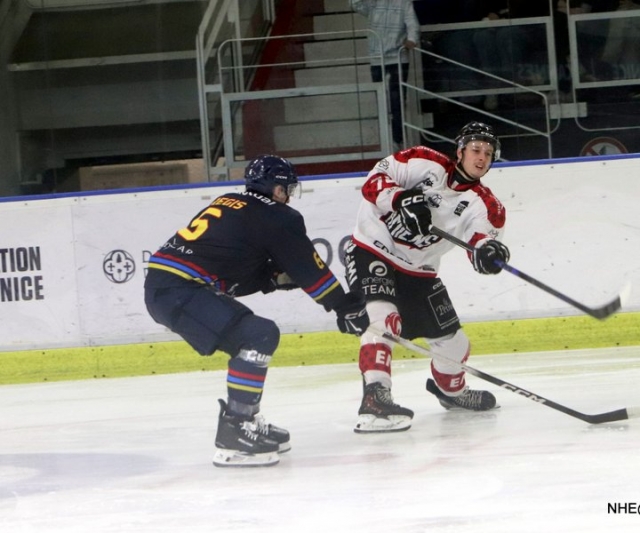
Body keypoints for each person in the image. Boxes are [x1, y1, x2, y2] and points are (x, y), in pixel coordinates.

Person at [143, 155, 369, 467]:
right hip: (179, 289)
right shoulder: (279, 216)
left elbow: (232, 264)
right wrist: (343, 306)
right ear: (276, 189)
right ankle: (235, 430)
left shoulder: (230, 201)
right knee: (259, 335)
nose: (289, 196)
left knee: (253, 335)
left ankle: (245, 419)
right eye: (287, 188)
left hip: (166, 286)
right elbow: (309, 268)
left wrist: (270, 278)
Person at [344, 121, 511, 433]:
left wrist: (488, 253)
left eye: (488, 153)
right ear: (460, 151)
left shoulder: (486, 205)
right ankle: (375, 398)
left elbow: (480, 241)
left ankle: (452, 393)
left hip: (419, 270)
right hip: (372, 249)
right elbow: (373, 182)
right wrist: (400, 199)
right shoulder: (424, 161)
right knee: (383, 321)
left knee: (453, 343)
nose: (482, 157)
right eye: (476, 149)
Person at [350, 0, 420, 150]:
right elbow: (355, 5)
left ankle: (397, 141)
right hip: (377, 58)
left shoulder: (403, 2)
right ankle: (389, 140)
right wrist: (412, 39)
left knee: (397, 101)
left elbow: (412, 23)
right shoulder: (373, 2)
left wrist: (411, 40)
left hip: (398, 57)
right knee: (383, 102)